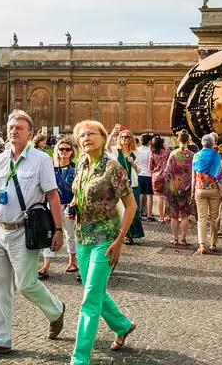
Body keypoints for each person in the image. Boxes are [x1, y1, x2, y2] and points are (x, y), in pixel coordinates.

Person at [0, 110, 65, 360]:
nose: (13, 131)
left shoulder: (41, 160)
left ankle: (56, 310)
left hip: (25, 232)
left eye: (20, 128)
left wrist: (59, 230)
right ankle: (0, 339)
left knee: (26, 284)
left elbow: (53, 196)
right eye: (11, 127)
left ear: (30, 133)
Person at [67, 120, 138, 364]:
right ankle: (122, 325)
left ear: (103, 137)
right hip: (82, 237)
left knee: (89, 300)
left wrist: (120, 240)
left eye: (92, 134)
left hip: (105, 240)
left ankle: (80, 359)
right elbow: (81, 193)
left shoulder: (114, 168)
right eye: (82, 135)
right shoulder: (81, 164)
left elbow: (131, 206)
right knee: (94, 291)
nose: (86, 138)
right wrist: (74, 205)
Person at [38, 137, 78, 280]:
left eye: (68, 149)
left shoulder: (75, 169)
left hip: (70, 205)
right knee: (51, 233)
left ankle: (72, 262)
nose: (64, 152)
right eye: (61, 149)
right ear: (57, 151)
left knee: (70, 235)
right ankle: (46, 266)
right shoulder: (50, 168)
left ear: (72, 152)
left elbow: (79, 189)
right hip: (52, 206)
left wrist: (74, 205)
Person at [111, 127, 145, 244]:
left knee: (133, 209)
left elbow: (139, 170)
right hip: (119, 185)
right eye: (122, 137)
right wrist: (111, 134)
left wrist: (132, 163)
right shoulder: (116, 151)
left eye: (127, 137)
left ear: (131, 139)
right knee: (121, 210)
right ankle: (124, 235)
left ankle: (132, 233)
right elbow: (105, 148)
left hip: (133, 185)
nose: (125, 139)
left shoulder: (136, 153)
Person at [191, 133, 222, 254]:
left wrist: (192, 192)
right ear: (213, 144)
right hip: (214, 190)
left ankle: (202, 245)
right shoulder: (217, 157)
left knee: (202, 218)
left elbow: (194, 177)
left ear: (202, 143)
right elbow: (219, 177)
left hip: (200, 190)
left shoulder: (196, 156)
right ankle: (213, 244)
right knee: (214, 218)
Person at [163, 130, 194, 246]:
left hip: (173, 188)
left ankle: (175, 238)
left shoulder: (173, 154)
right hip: (187, 188)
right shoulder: (192, 155)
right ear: (188, 140)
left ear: (178, 139)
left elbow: (167, 171)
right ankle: (183, 239)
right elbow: (194, 172)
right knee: (185, 214)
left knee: (174, 215)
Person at [150, 135, 171, 222]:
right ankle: (168, 216)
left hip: (157, 176)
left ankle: (161, 217)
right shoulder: (167, 151)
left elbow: (150, 167)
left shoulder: (153, 153)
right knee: (168, 197)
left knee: (160, 197)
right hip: (167, 175)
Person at [137, 134, 154, 220]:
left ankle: (139, 214)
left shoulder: (137, 150)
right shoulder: (150, 151)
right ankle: (149, 214)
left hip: (139, 174)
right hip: (148, 174)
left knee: (140, 194)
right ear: (149, 141)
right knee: (149, 195)